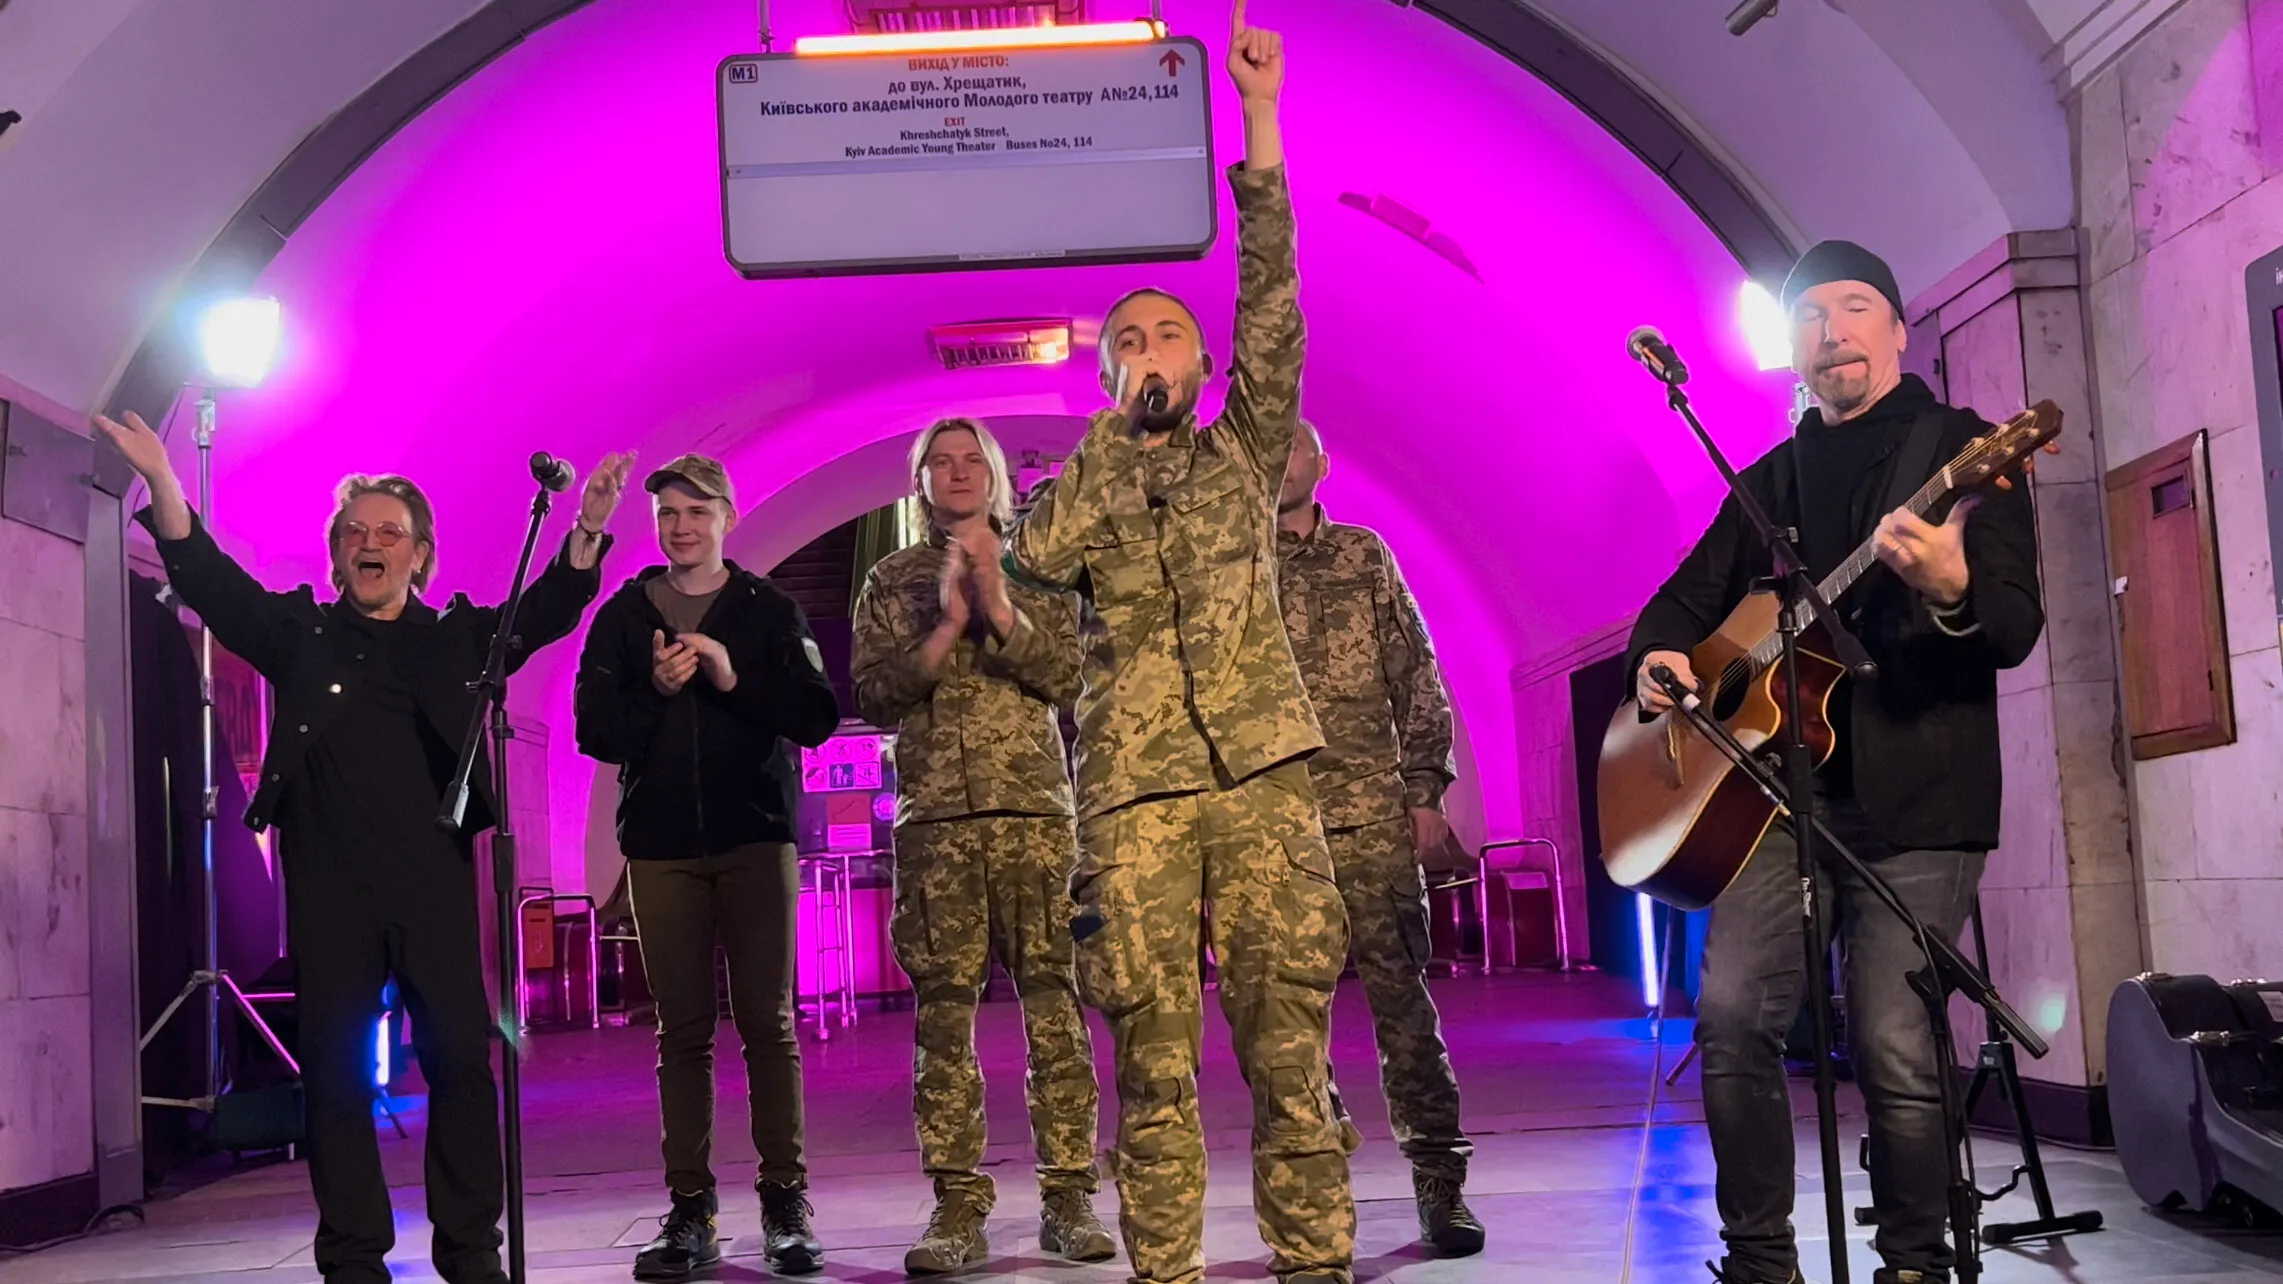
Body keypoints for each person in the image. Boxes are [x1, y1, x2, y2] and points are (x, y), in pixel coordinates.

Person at [93, 411, 629, 1284]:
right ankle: (351, 1257)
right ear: (337, 552)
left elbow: (546, 611)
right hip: (330, 884)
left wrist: (589, 530)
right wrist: (162, 481)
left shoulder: (457, 640)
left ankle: (469, 1249)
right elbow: (216, 587)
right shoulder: (299, 635)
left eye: (390, 532)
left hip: (431, 881)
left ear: (421, 555)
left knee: (461, 1059)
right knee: (336, 1079)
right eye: (355, 532)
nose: (371, 543)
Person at [1003, 9, 1358, 1283]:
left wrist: (1258, 120)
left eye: (1164, 336)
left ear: (1205, 363)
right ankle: (1167, 1270)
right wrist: (1109, 446)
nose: (1147, 354)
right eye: (1124, 347)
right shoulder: (1078, 487)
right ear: (1104, 380)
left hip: (1264, 780)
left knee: (1289, 1049)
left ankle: (1314, 1263)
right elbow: (1034, 584)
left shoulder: (1245, 452)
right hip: (1136, 800)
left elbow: (1275, 295)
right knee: (1152, 1063)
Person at [1627, 241, 2044, 1284]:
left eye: (1855, 307)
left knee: (1897, 1038)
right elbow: (1675, 604)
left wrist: (1948, 587)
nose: (1831, 329)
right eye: (1809, 315)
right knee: (1729, 1019)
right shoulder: (1768, 479)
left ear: (1900, 330)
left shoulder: (1969, 450)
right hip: (1776, 798)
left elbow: (2013, 623)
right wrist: (1660, 656)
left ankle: (1914, 1261)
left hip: (1922, 800)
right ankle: (1759, 1259)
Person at [851, 418, 1117, 1276]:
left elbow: (1068, 678)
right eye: (941, 461)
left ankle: (1069, 1195)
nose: (957, 472)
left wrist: (998, 611)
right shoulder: (890, 579)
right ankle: (957, 1207)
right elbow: (874, 696)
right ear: (920, 480)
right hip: (935, 826)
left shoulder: (1039, 565)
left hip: (1036, 819)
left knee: (1056, 1012)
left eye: (973, 461)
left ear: (996, 477)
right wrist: (941, 631)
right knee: (943, 1024)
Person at [572, 453, 841, 1281]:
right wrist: (653, 688)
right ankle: (690, 1210)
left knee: (768, 1023)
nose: (681, 526)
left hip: (755, 838)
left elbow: (816, 715)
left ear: (726, 515)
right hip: (660, 847)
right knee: (680, 1032)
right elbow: (594, 729)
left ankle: (784, 1201)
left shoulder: (765, 608)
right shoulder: (623, 615)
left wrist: (731, 677)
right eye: (667, 514)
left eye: (696, 511)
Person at [1273, 421, 1483, 1256]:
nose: (1282, 462)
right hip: (1275, 826)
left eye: (1296, 447)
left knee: (1404, 1012)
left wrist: (1424, 789)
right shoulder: (1230, 566)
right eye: (1271, 447)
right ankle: (1317, 1186)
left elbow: (1415, 670)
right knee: (1289, 1022)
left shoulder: (1362, 555)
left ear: (1319, 465)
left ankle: (1440, 1182)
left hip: (1370, 816)